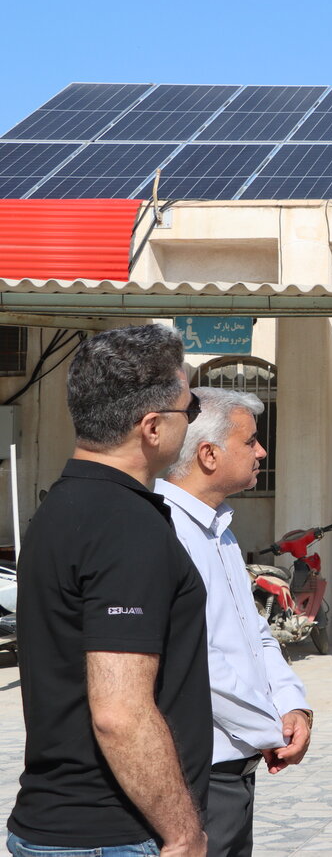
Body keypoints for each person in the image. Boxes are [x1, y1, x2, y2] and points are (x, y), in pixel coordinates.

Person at [7, 325, 211, 857]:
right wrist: (183, 832)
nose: (191, 424)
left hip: (59, 824)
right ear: (151, 426)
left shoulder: (63, 505)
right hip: (113, 834)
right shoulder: (124, 525)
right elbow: (119, 712)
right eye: (189, 411)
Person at [154, 388, 314, 857]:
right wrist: (272, 728)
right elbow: (196, 661)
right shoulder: (165, 532)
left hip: (237, 766)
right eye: (251, 441)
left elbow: (255, 634)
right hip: (198, 774)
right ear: (208, 454)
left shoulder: (220, 530)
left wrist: (292, 705)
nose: (261, 451)